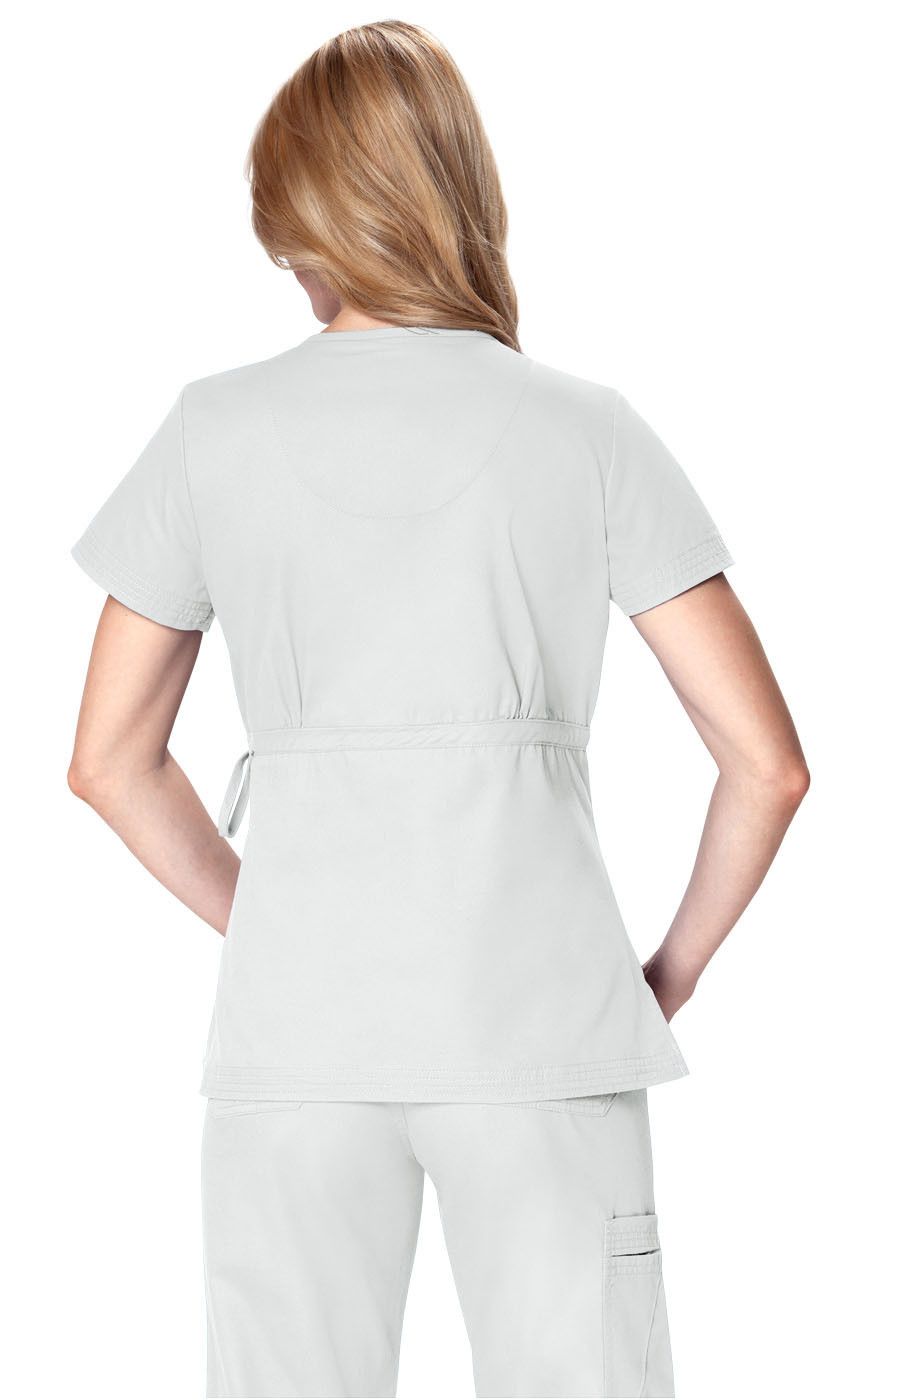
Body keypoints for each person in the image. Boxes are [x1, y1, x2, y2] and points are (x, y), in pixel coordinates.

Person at [67, 20, 809, 1400]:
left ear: (308, 212)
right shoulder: (587, 427)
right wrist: (666, 975)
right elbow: (766, 766)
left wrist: (278, 922)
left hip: (295, 1039)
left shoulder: (209, 430)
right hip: (543, 1026)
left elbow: (109, 762)